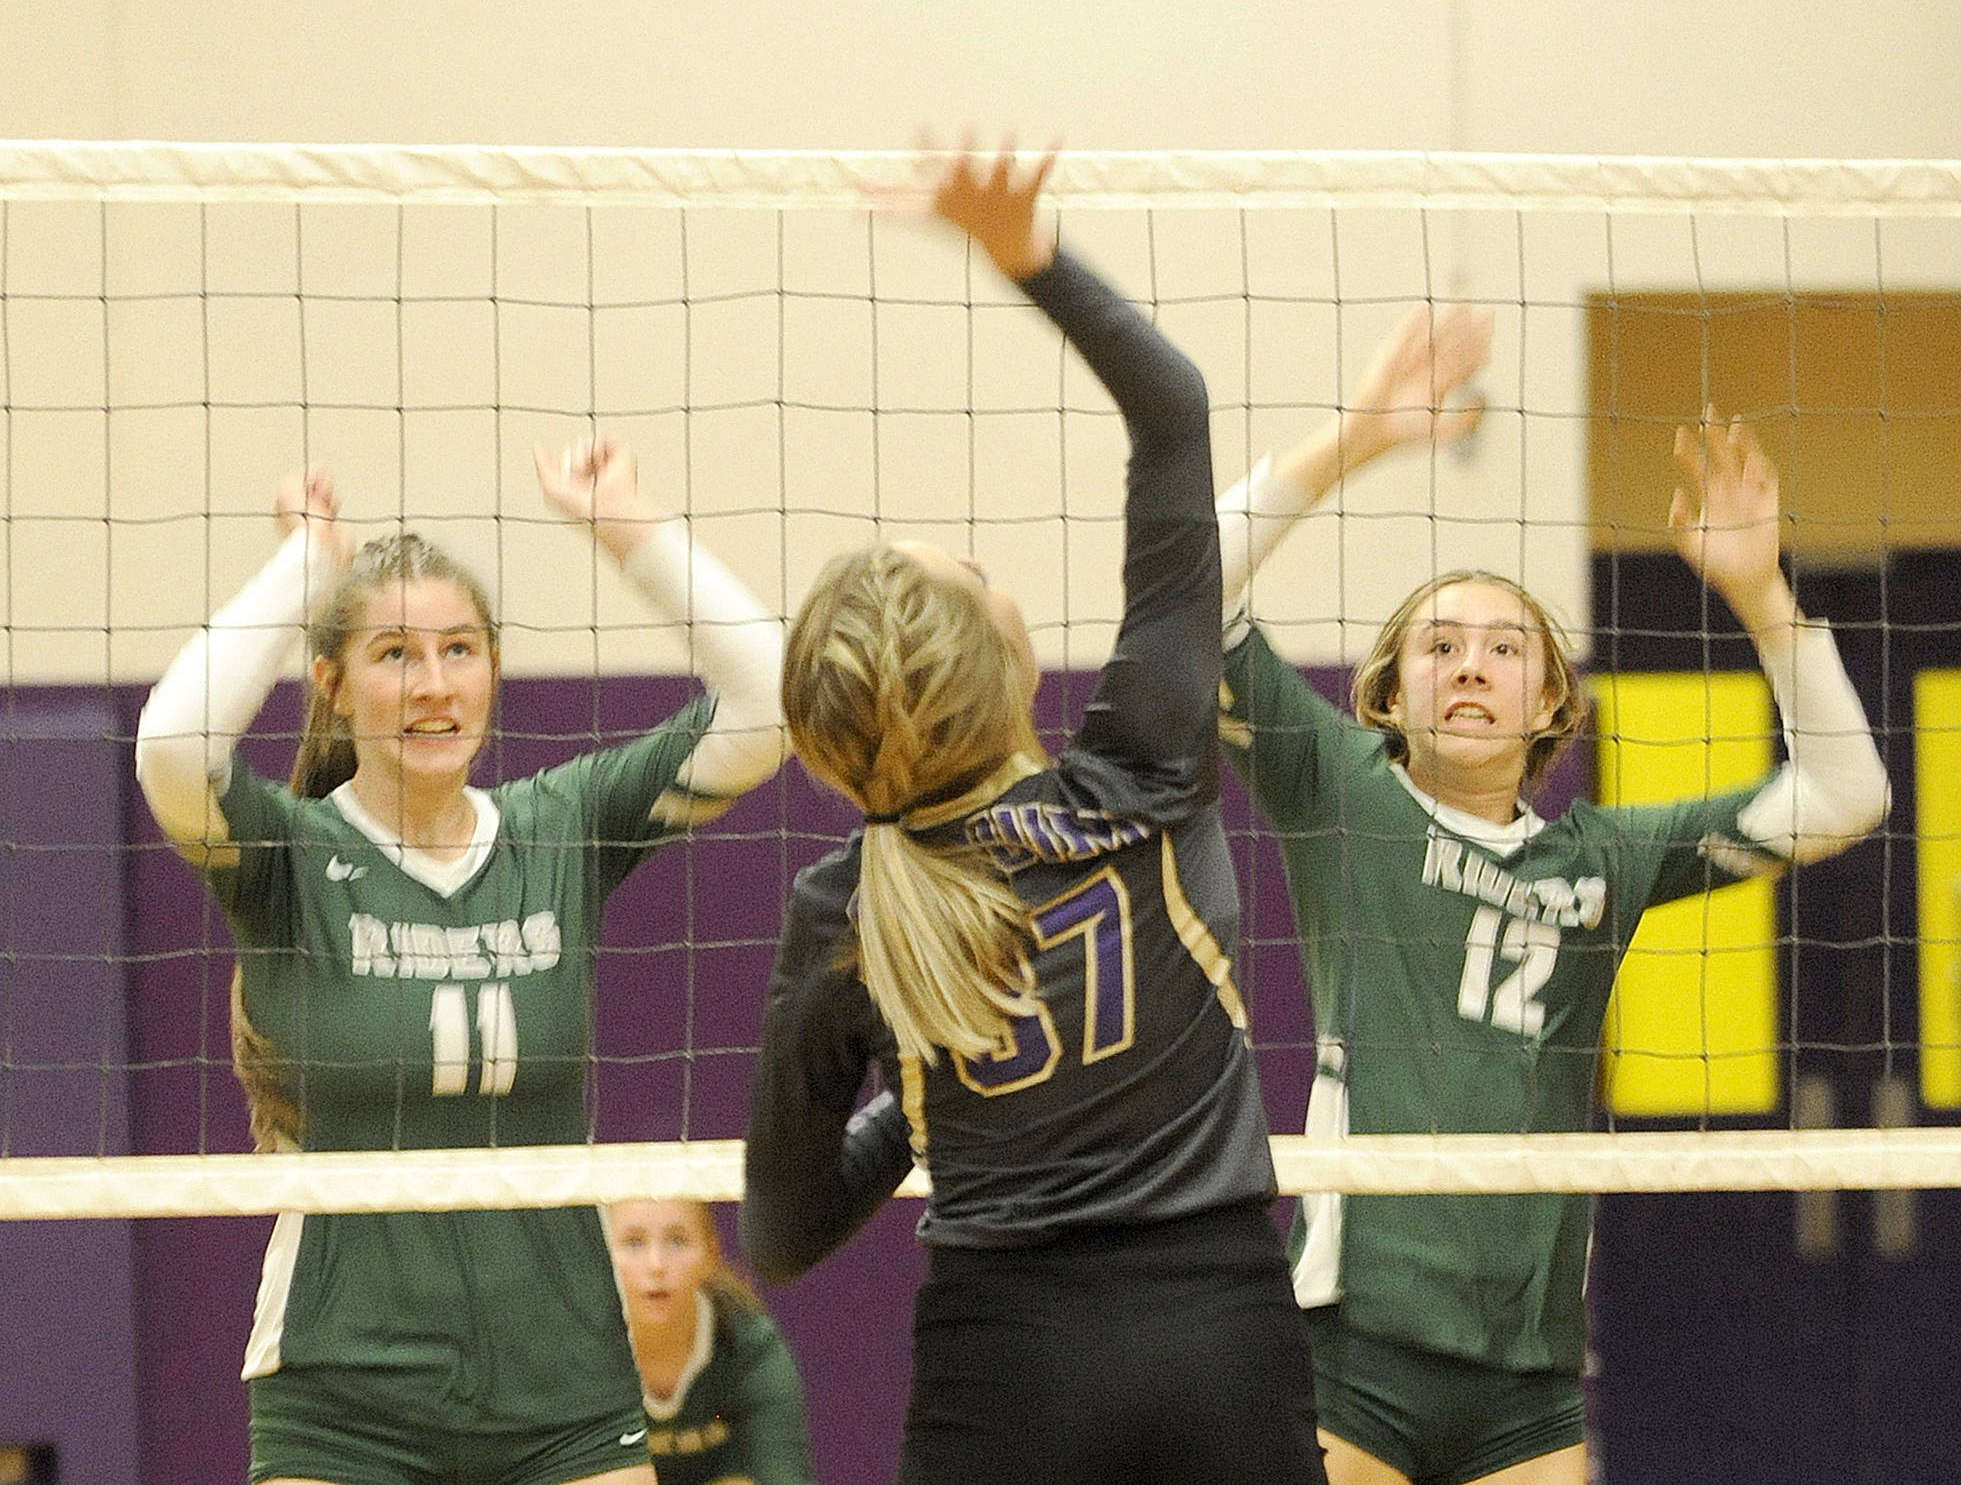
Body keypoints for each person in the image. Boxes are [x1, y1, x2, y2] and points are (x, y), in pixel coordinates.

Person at [1214, 305, 1892, 1485]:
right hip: (1350, 1349)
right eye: (1437, 645)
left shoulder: (1603, 857)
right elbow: (1179, 591)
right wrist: (1357, 438)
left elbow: (1844, 790)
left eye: (1502, 646)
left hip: (1527, 1373)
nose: (1469, 661)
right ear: (1385, 695)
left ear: (1547, 706)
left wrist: (1758, 593)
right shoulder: (1339, 789)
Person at [739, 147, 1329, 1485]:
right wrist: (1022, 250)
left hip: (1000, 1366)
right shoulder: (1142, 767)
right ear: (1004, 665)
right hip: (1219, 1337)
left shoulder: (842, 908)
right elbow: (1171, 409)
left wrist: (925, 1097)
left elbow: (778, 1231)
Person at [134, 436, 785, 1485]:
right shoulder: (286, 855)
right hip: (344, 1395)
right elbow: (170, 746)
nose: (433, 684)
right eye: (393, 654)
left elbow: (773, 700)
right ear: (335, 686)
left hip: (566, 1387)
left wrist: (620, 524)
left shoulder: (561, 825)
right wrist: (306, 567)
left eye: (460, 650)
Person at [607, 1197, 814, 1485]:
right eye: (633, 1242)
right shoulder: (580, 1353)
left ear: (711, 1254)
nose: (656, 1265)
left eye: (677, 1241)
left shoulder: (752, 1349)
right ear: (601, 1255)